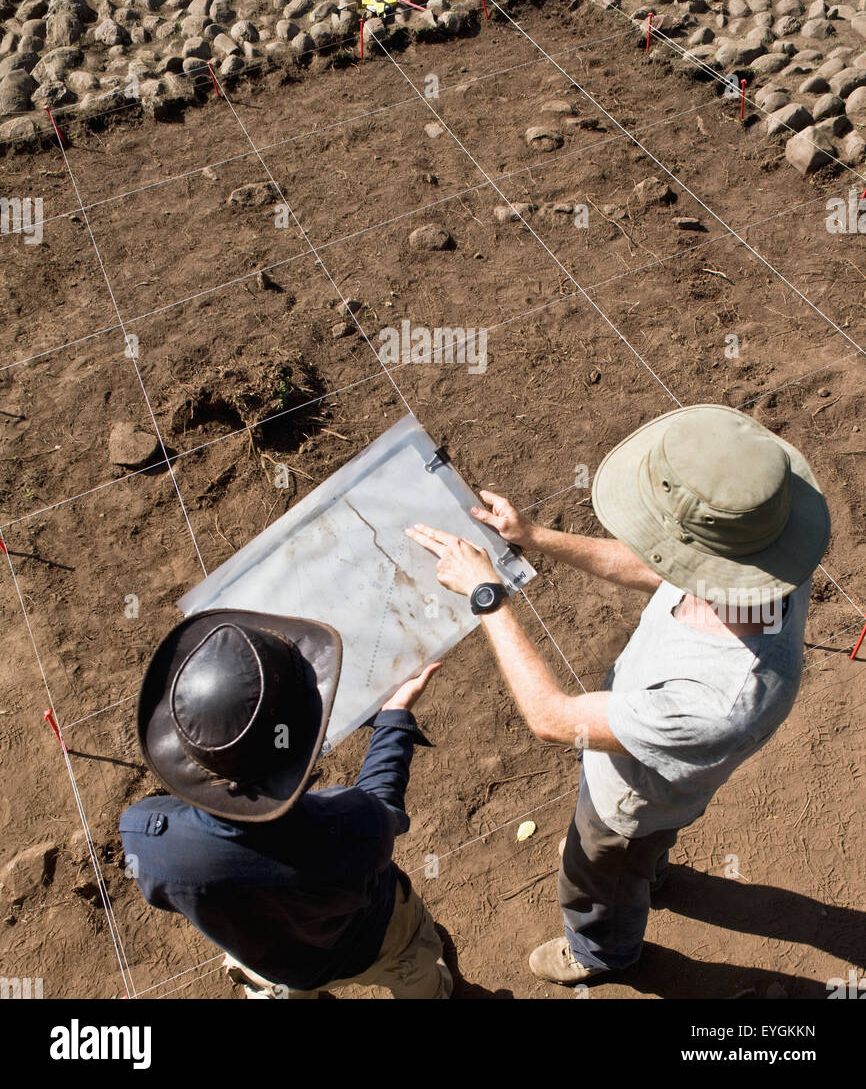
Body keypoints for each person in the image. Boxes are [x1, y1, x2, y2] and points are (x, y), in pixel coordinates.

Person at [407, 403, 830, 986]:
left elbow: (552, 719)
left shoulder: (719, 698)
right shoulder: (770, 553)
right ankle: (650, 873)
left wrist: (487, 596)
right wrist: (535, 537)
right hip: (663, 777)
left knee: (596, 874)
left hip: (628, 802)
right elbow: (664, 568)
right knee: (647, 851)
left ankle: (601, 951)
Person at [120, 606, 451, 999]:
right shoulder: (352, 827)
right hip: (372, 942)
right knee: (415, 964)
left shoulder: (145, 836)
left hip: (272, 965)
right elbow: (383, 808)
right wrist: (394, 717)